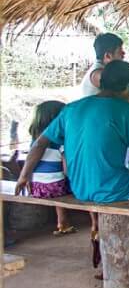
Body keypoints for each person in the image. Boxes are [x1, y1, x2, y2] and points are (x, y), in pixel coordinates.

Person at [16, 62, 129, 227]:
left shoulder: (71, 108)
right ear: (128, 87)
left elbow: (39, 144)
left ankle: (103, 233)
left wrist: (23, 177)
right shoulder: (127, 110)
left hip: (80, 189)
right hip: (113, 190)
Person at [27, 101, 75, 236]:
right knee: (82, 186)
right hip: (55, 188)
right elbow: (67, 171)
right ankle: (94, 224)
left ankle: (62, 222)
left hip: (37, 188)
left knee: (54, 181)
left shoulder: (34, 143)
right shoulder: (59, 142)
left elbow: (31, 166)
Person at [80, 32, 125, 97]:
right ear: (108, 56)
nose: (123, 53)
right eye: (120, 51)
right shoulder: (97, 73)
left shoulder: (103, 69)